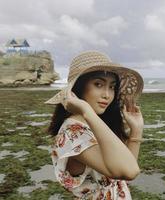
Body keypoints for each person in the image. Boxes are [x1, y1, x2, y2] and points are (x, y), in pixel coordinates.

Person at [45, 51, 144, 199]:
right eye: (98, 84)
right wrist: (86, 110)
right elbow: (129, 171)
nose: (107, 95)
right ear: (78, 87)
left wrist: (136, 130)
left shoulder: (96, 124)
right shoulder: (72, 132)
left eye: (112, 87)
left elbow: (124, 175)